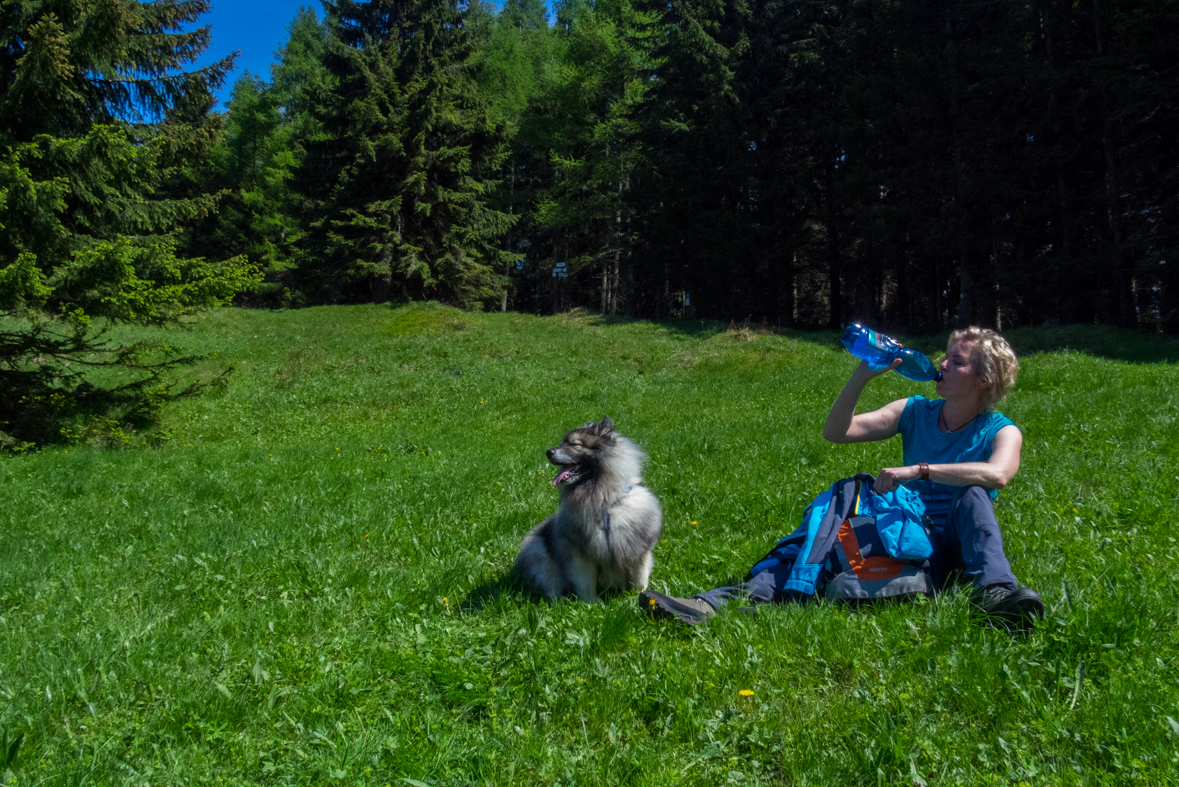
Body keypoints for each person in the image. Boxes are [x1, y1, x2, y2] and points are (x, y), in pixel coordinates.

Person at [640, 326, 1044, 629]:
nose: (942, 364)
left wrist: (918, 471)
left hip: (956, 547)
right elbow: (837, 432)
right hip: (907, 533)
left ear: (983, 380)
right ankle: (713, 604)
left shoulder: (1001, 430)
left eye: (956, 361)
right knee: (826, 528)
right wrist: (862, 376)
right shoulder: (916, 410)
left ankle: (997, 594)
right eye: (946, 356)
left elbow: (998, 475)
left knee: (973, 494)